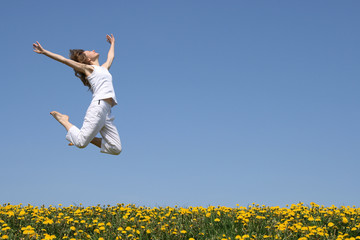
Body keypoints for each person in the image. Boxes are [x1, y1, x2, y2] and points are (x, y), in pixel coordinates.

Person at [33, 34, 122, 155]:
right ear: (88, 59)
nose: (93, 50)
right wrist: (45, 52)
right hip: (99, 106)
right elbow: (64, 60)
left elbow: (111, 57)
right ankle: (64, 120)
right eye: (90, 51)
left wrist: (112, 44)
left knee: (116, 148)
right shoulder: (89, 69)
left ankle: (86, 137)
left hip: (106, 111)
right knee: (80, 143)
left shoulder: (104, 68)